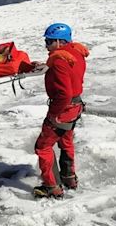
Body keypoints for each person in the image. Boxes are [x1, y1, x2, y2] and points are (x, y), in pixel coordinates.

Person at [33, 23, 89, 199]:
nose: (46, 45)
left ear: (59, 41)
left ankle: (51, 186)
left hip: (63, 109)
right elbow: (69, 70)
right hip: (75, 106)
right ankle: (69, 178)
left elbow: (64, 93)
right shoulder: (76, 52)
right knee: (66, 142)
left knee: (43, 146)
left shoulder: (59, 60)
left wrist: (53, 114)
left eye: (49, 41)